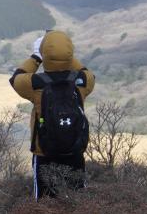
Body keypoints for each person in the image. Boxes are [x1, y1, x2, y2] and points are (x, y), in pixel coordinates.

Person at [9, 30, 95, 199]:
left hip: (44, 152)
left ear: (44, 54)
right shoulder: (83, 80)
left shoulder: (35, 83)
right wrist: (66, 57)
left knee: (44, 203)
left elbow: (16, 78)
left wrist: (36, 57)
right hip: (75, 151)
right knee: (78, 203)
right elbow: (84, 70)